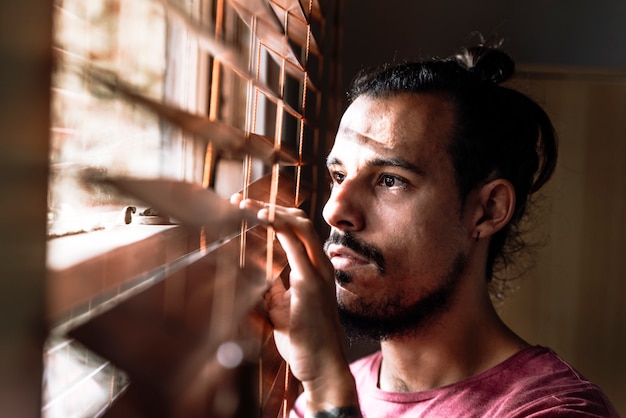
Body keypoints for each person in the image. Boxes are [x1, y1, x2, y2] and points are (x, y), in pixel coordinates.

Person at [234, 41, 620, 417]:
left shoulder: (553, 409)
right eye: (338, 175)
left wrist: (326, 386)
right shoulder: (328, 397)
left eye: (389, 180)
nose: (335, 210)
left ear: (487, 210)